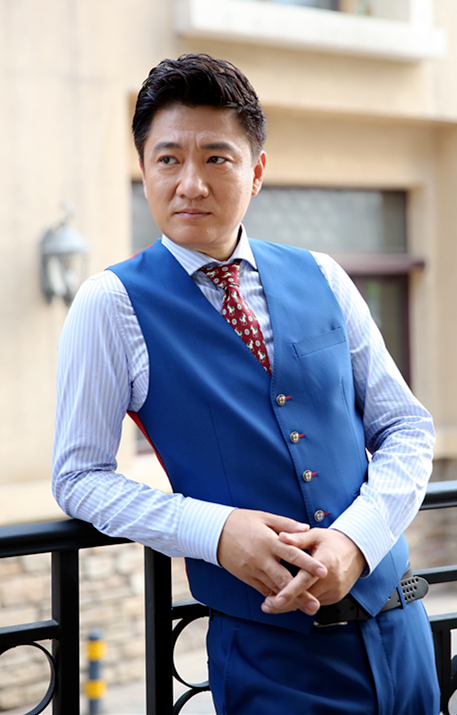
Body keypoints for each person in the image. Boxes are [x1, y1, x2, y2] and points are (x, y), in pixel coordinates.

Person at [53, 53, 440, 714]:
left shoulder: (323, 274)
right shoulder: (110, 304)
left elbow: (405, 425)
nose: (190, 183)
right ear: (143, 168)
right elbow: (78, 475)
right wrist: (214, 531)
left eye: (217, 158)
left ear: (256, 171)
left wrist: (357, 540)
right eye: (168, 159)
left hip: (401, 632)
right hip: (269, 657)